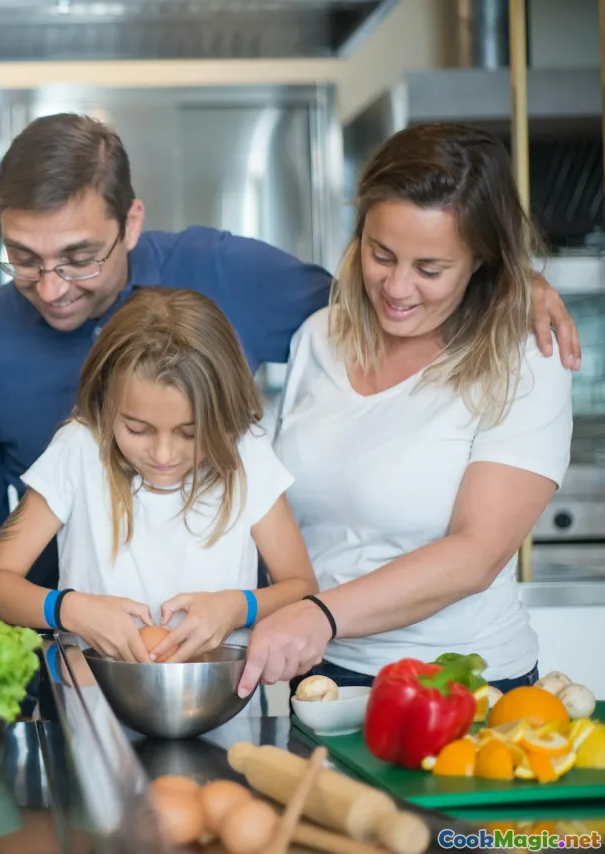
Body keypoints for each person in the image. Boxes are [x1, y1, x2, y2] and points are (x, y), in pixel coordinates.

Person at [0, 113, 581, 591]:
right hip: (73, 656)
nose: (51, 288)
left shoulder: (226, 272)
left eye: (79, 257)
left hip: (229, 650)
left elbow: (386, 297)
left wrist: (505, 280)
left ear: (130, 223)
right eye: (24, 258)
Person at [236, 123, 573, 698]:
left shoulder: (526, 355)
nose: (396, 287)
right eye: (381, 254)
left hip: (458, 683)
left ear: (481, 260)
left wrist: (321, 614)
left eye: (430, 269)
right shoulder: (320, 336)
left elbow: (477, 554)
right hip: (320, 676)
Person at [0, 287, 317, 667]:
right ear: (106, 402)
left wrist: (240, 607)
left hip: (220, 696)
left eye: (190, 433)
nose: (163, 455)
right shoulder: (79, 447)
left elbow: (302, 588)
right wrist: (70, 609)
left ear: (225, 415)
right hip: (91, 694)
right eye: (137, 429)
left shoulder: (246, 452)